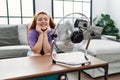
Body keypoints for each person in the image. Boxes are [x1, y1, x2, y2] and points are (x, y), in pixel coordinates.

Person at [27, 11, 66, 80]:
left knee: (49, 55)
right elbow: (36, 51)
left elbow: (47, 51)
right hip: (34, 51)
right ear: (36, 22)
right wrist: (41, 34)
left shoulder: (53, 31)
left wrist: (45, 33)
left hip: (50, 50)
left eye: (45, 19)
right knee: (36, 56)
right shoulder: (31, 32)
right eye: (40, 19)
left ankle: (61, 75)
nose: (43, 21)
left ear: (49, 21)